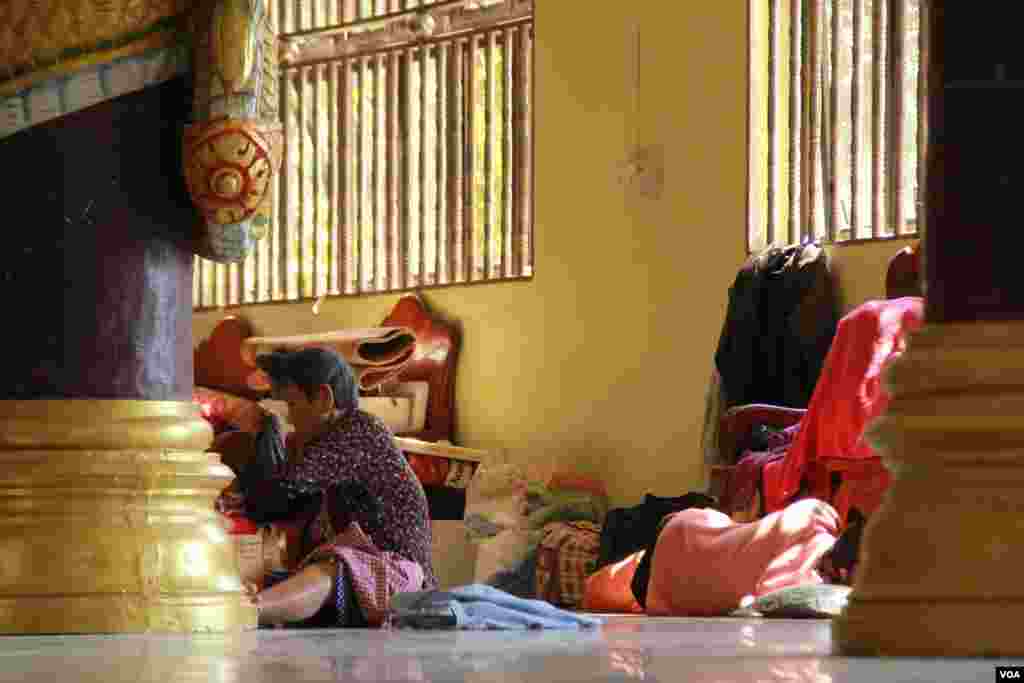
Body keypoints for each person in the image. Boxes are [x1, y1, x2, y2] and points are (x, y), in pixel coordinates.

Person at [216, 346, 435, 627]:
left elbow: (279, 496)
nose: (291, 419)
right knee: (286, 575)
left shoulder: (358, 432)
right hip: (371, 571)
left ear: (323, 398)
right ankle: (256, 605)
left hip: (403, 578)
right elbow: (286, 504)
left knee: (334, 569)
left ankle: (246, 611)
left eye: (293, 405)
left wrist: (266, 432)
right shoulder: (327, 444)